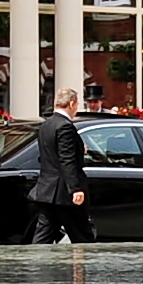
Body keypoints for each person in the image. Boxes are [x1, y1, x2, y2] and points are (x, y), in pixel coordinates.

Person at [28, 90, 91, 244]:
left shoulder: (46, 125)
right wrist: (75, 189)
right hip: (64, 193)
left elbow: (48, 154)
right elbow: (66, 160)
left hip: (47, 190)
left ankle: (37, 266)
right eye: (76, 105)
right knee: (83, 236)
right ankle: (83, 267)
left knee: (43, 236)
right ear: (71, 104)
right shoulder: (65, 127)